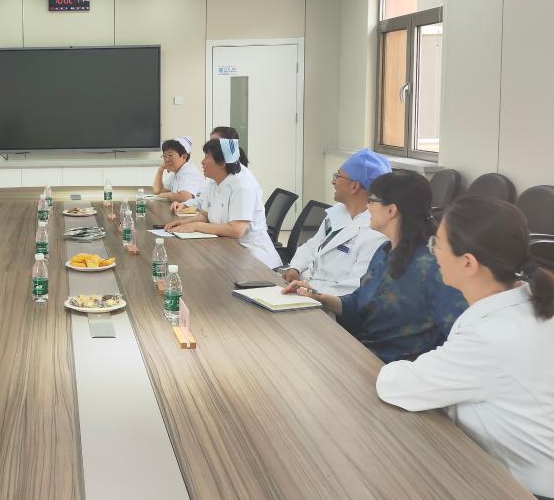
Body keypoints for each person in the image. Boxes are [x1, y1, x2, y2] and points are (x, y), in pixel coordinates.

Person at [376, 196, 554, 500]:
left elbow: (395, 385)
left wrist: (409, 365)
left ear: (468, 262)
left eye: (437, 243)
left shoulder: (491, 336)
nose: (433, 251)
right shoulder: (527, 302)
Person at [284, 170, 466, 363]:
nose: (367, 206)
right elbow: (359, 304)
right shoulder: (385, 250)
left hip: (393, 367)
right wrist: (317, 296)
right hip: (361, 353)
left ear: (391, 211)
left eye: (371, 200)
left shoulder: (433, 267)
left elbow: (457, 338)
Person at [281, 149, 391, 295]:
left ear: (354, 186)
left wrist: (313, 292)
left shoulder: (376, 232)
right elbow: (313, 245)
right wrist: (295, 268)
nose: (333, 181)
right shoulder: (338, 212)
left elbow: (355, 286)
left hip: (328, 300)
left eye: (338, 176)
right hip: (306, 286)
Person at [164, 138, 282, 268]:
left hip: (253, 259)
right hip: (226, 249)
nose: (202, 162)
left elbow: (236, 230)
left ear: (222, 163)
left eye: (207, 157)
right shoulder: (214, 181)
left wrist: (195, 226)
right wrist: (184, 223)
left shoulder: (243, 186)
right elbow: (205, 215)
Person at [179, 126, 250, 210]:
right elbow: (203, 200)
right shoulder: (217, 176)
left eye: (215, 142)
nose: (212, 146)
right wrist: (185, 204)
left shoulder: (241, 183)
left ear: (228, 146)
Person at [152, 137, 205, 202]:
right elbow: (158, 191)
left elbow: (184, 197)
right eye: (165, 156)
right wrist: (160, 169)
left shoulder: (190, 172)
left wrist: (167, 195)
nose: (167, 159)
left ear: (184, 157)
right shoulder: (176, 173)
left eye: (170, 155)